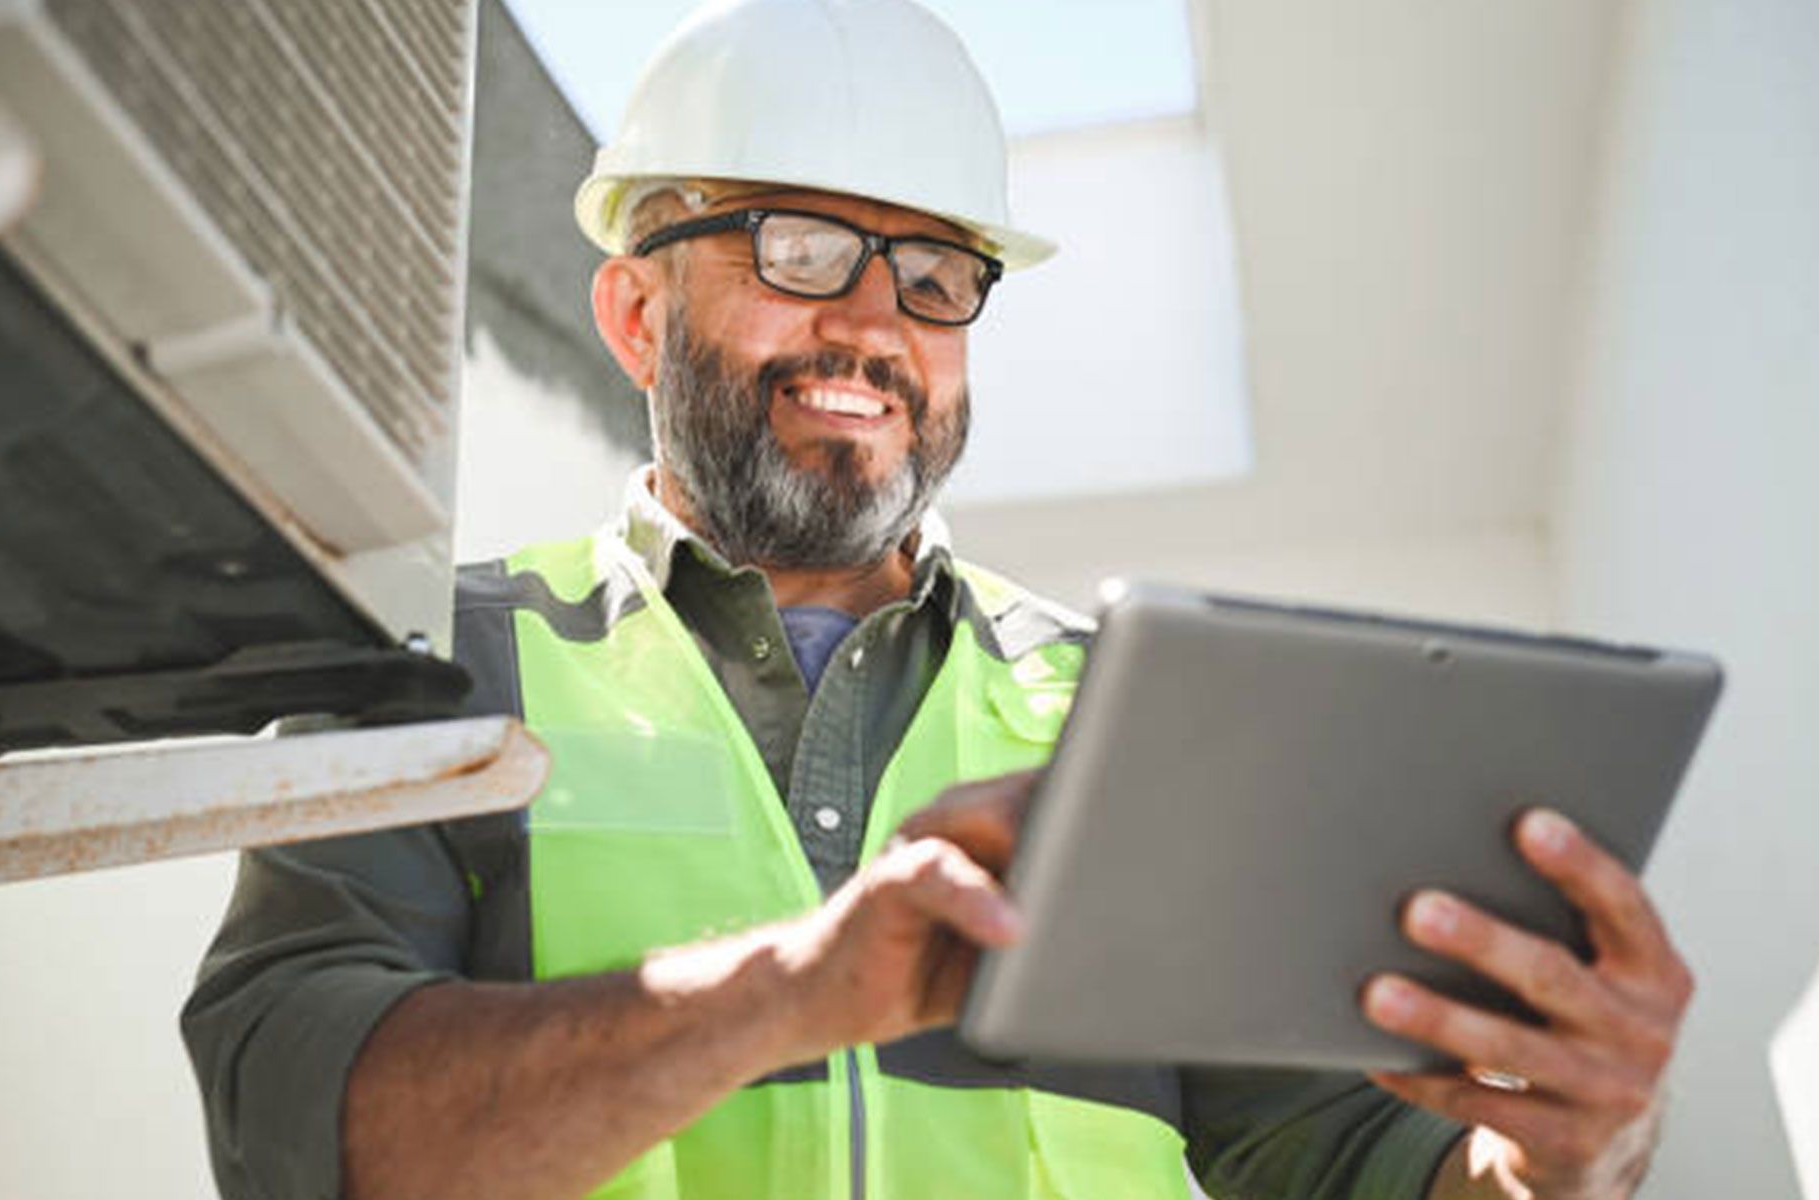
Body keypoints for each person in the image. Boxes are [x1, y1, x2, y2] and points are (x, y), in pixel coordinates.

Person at [183, 1, 1693, 1197]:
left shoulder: (1130, 717)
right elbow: (302, 1135)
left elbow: (1357, 1168)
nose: (869, 322)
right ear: (638, 311)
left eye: (934, 275)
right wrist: (792, 992)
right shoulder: (428, 662)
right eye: (800, 247)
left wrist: (1564, 1159)